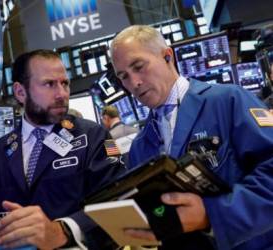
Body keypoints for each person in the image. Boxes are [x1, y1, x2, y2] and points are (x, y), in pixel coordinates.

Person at [110, 25, 273, 250]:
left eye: (139, 67)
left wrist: (213, 214)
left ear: (168, 56)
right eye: (124, 77)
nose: (134, 83)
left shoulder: (228, 101)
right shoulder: (140, 146)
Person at [0, 49, 124, 249]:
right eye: (49, 84)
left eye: (65, 83)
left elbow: (118, 202)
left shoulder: (95, 136)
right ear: (20, 92)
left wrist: (64, 230)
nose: (62, 94)